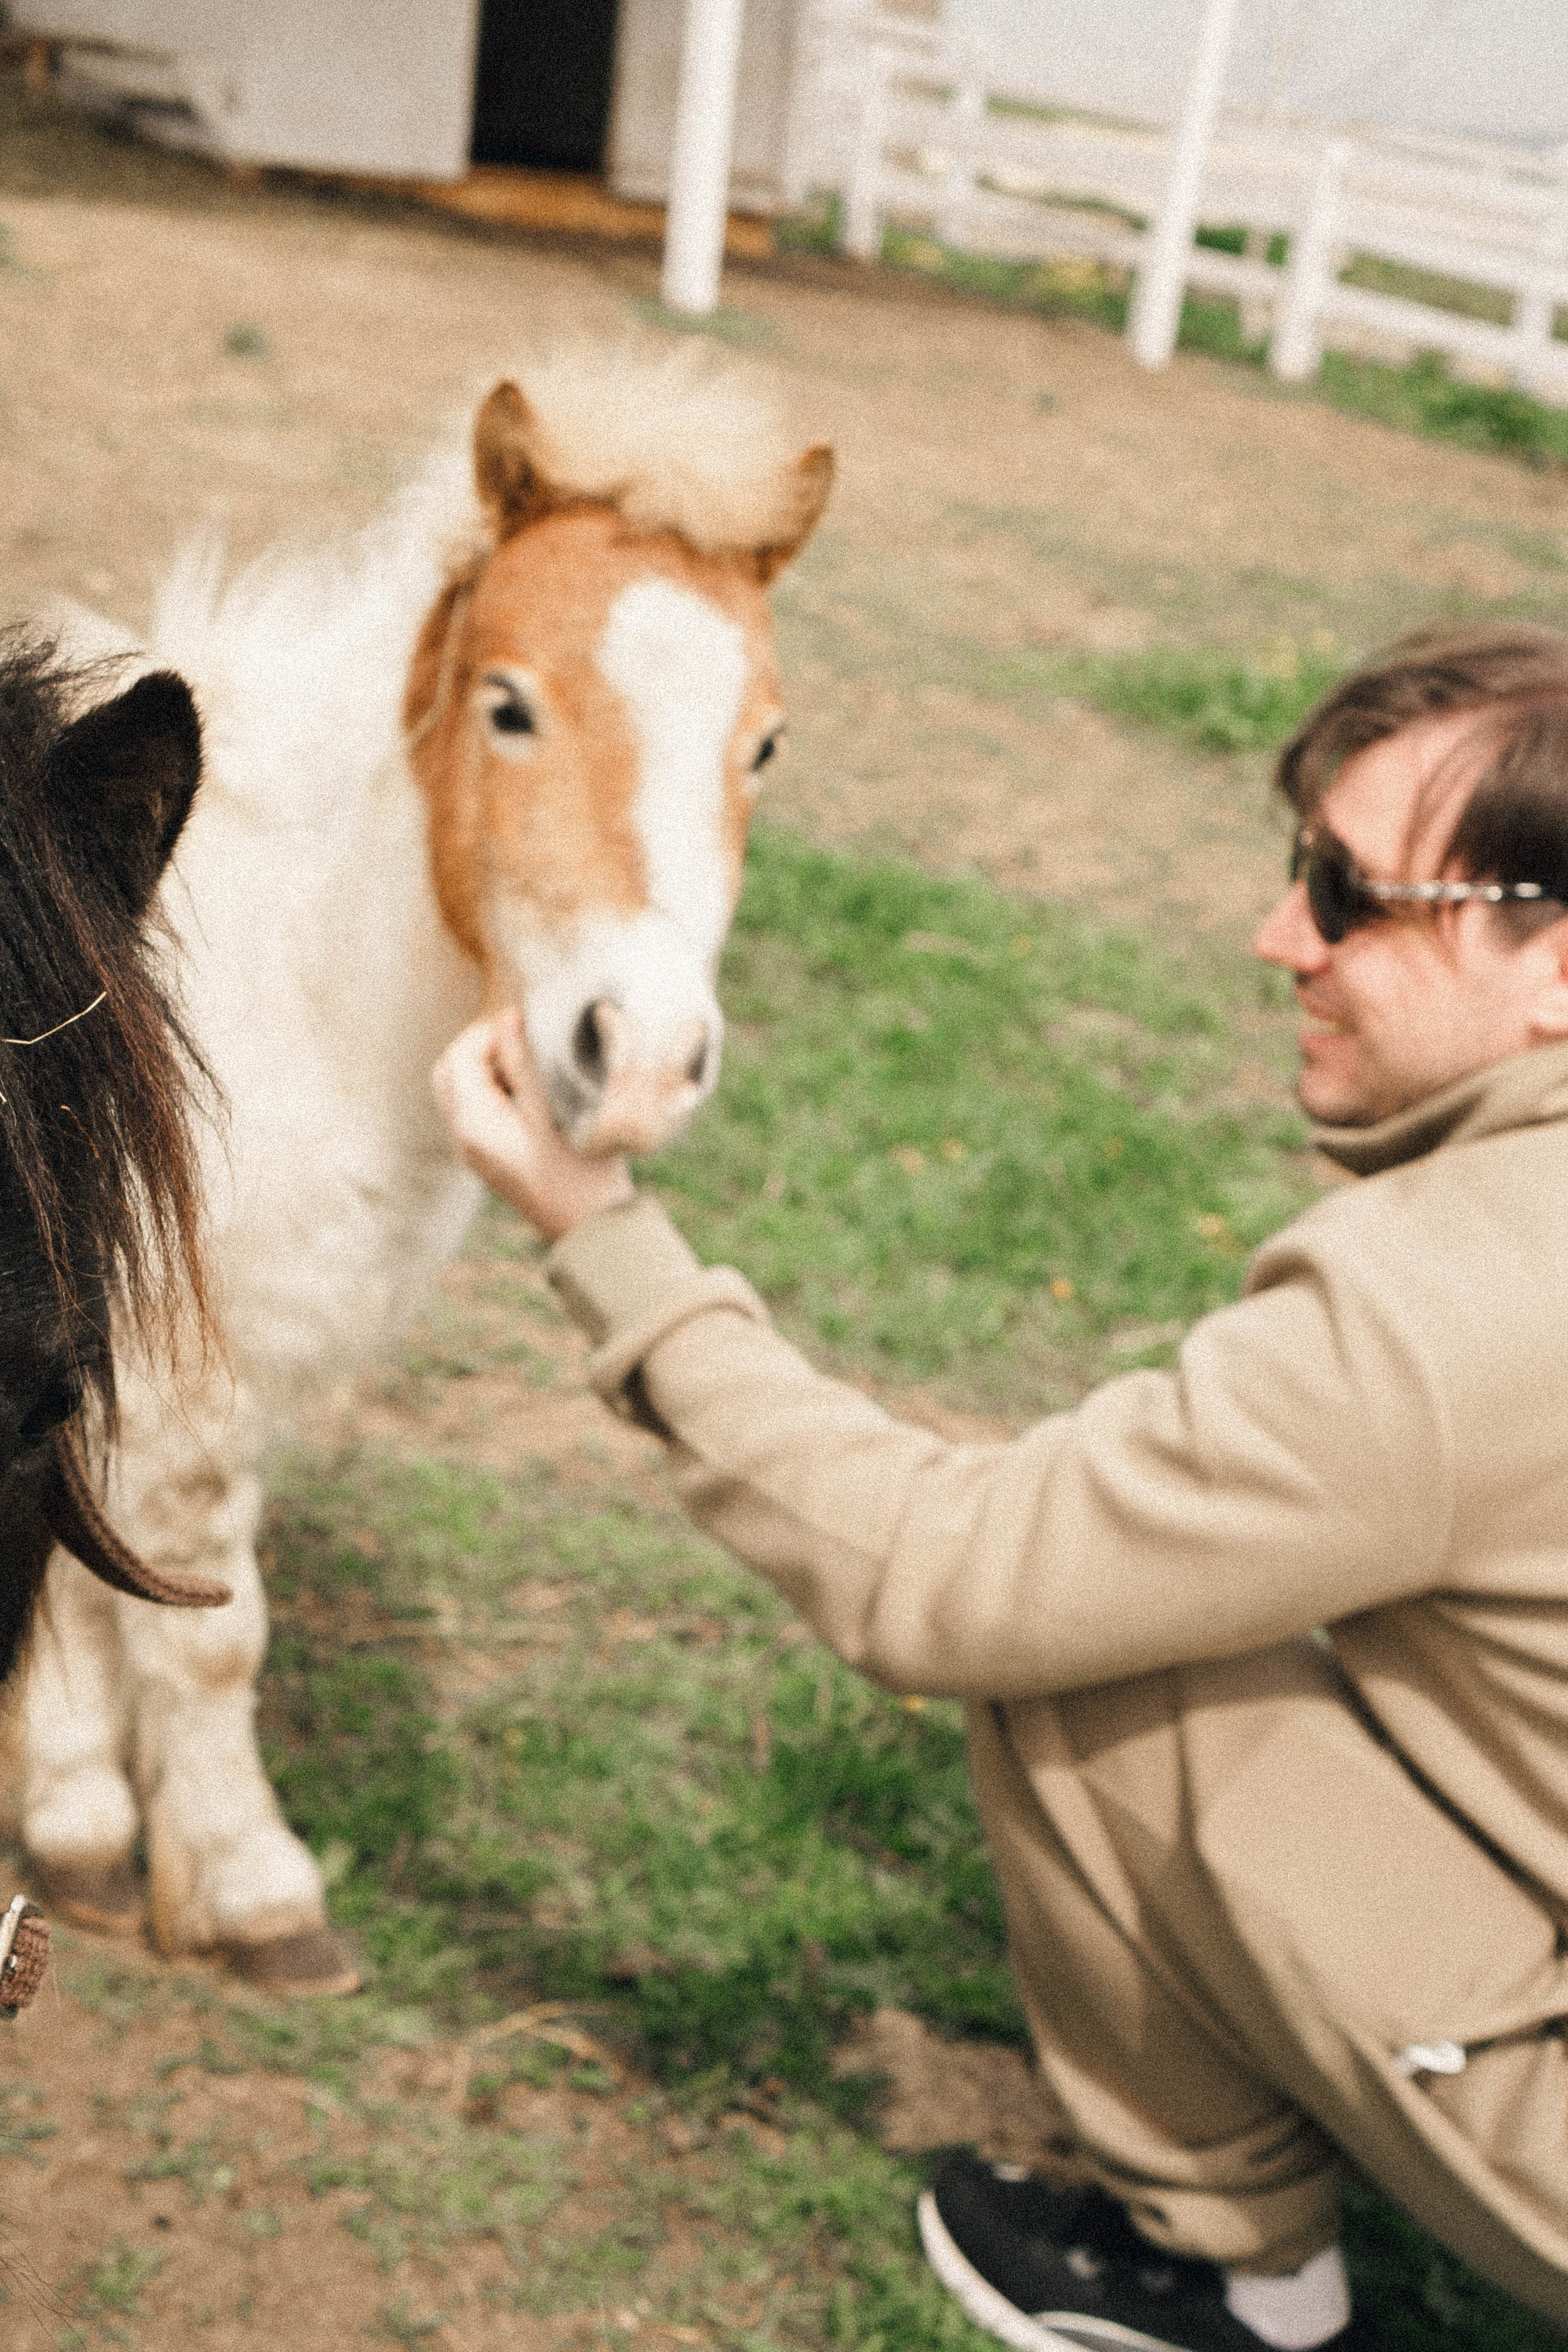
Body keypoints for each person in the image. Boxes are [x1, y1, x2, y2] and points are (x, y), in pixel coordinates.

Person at [431, 620, 1568, 2352]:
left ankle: (1229, 2285)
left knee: (1092, 1638)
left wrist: (604, 1243)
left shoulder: (1455, 1304)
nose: (1280, 939)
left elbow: (949, 1576)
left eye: (1348, 895)